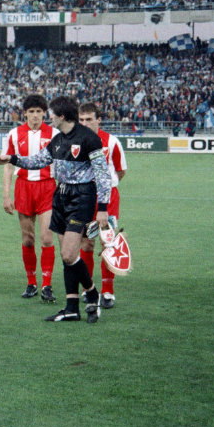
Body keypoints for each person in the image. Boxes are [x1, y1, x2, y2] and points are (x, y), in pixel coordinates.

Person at [0, 96, 110, 323]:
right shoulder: (57, 141)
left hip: (81, 198)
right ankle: (72, 306)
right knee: (67, 257)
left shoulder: (89, 139)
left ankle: (92, 291)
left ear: (62, 116)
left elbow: (103, 176)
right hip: (60, 197)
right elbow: (36, 161)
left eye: (52, 113)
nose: (48, 117)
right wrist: (11, 158)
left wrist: (102, 208)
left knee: (68, 254)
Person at [2, 94, 59, 302]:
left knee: (46, 238)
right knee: (27, 239)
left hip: (47, 188)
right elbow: (8, 164)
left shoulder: (54, 134)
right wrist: (6, 195)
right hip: (23, 188)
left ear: (45, 113)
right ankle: (31, 282)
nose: (35, 116)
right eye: (31, 111)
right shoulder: (14, 134)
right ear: (25, 113)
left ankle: (47, 285)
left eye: (39, 111)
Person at [77, 102, 128, 309]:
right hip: (83, 197)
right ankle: (89, 289)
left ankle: (108, 291)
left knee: (107, 243)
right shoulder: (74, 141)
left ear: (99, 120)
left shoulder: (112, 142)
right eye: (81, 119)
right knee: (86, 244)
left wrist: (106, 191)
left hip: (107, 198)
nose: (85, 123)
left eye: (89, 119)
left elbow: (120, 171)